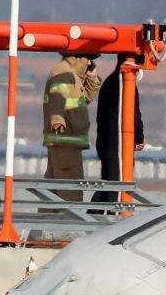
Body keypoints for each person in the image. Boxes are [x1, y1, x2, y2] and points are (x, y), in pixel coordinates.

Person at [43, 52, 101, 202]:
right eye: (88, 59)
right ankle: (71, 223)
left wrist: (93, 79)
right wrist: (57, 119)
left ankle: (45, 223)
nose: (89, 63)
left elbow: (83, 99)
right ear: (77, 58)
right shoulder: (64, 73)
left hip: (64, 142)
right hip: (66, 141)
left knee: (53, 193)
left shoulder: (72, 76)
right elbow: (57, 96)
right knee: (71, 192)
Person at [93, 54, 145, 203]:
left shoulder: (110, 82)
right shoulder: (125, 83)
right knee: (117, 189)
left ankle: (93, 216)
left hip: (106, 143)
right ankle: (113, 221)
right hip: (118, 145)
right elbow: (133, 114)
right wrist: (139, 137)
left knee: (107, 185)